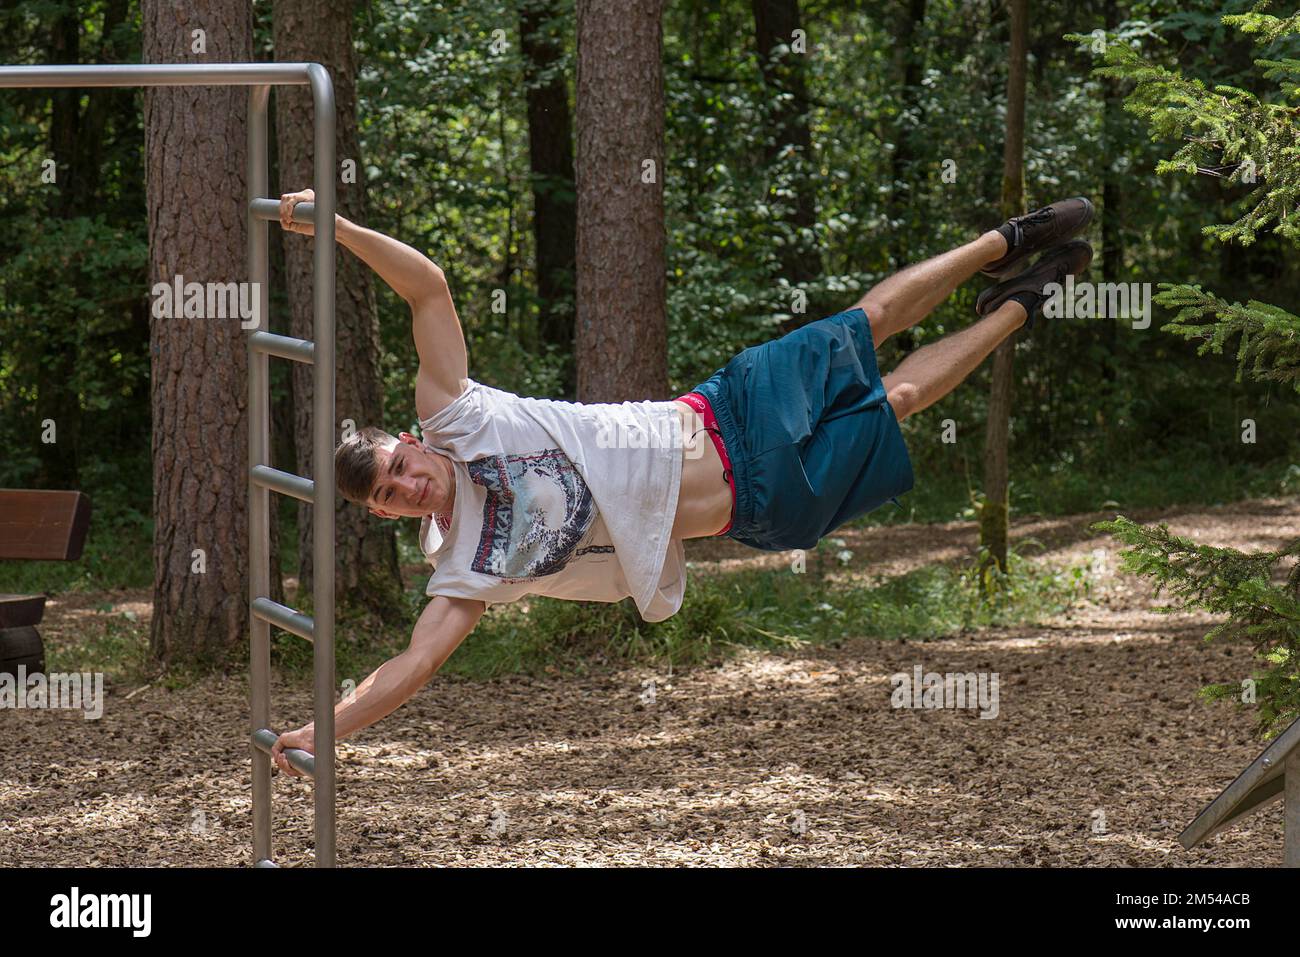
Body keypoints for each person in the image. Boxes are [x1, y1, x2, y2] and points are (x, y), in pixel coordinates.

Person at [270, 189, 1094, 775]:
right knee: (901, 401)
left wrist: (338, 228)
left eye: (398, 467)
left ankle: (1002, 242)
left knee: (862, 329)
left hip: (718, 410)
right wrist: (324, 728)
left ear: (413, 443)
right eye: (387, 494)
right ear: (385, 514)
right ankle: (1017, 308)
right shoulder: (468, 568)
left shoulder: (456, 412)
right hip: (757, 502)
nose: (407, 486)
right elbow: (411, 666)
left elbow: (428, 286)